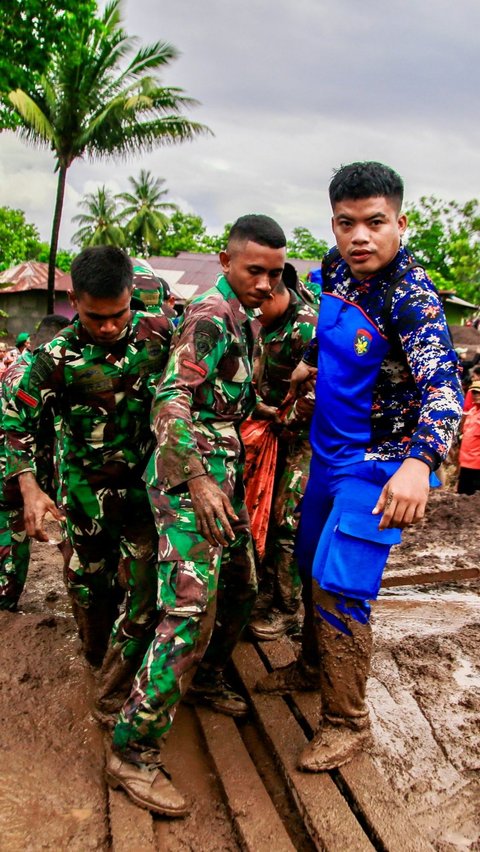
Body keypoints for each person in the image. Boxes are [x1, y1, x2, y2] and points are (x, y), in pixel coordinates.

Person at [257, 162, 463, 772]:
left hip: (378, 464)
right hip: (326, 450)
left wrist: (418, 463)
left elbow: (445, 388)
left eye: (375, 223)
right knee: (305, 561)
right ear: (334, 225)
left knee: (341, 584)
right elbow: (333, 332)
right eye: (348, 223)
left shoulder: (412, 296)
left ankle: (348, 722)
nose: (360, 237)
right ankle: (313, 667)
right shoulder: (336, 267)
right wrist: (306, 364)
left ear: (400, 222)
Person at [105, 214, 287, 817]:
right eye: (253, 269)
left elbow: (222, 392)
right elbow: (171, 397)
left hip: (221, 467)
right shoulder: (211, 315)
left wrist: (270, 403)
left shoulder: (245, 320)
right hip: (190, 475)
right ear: (228, 260)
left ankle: (205, 678)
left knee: (242, 583)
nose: (264, 282)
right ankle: (131, 752)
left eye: (274, 273)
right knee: (188, 609)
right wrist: (200, 478)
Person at [3, 246, 173, 668]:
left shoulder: (161, 333)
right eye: (96, 317)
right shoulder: (54, 359)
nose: (110, 326)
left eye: (119, 313)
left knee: (148, 582)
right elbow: (15, 422)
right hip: (86, 493)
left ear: (132, 293)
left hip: (146, 489)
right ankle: (97, 658)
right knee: (89, 584)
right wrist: (29, 486)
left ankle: (132, 666)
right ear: (74, 301)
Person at [245, 272, 318, 640]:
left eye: (260, 305)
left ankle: (289, 609)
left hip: (303, 439)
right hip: (274, 434)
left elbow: (315, 395)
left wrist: (280, 419)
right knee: (263, 516)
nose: (254, 311)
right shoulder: (265, 325)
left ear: (276, 292)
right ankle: (269, 591)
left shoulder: (306, 328)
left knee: (286, 520)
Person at [0, 315, 70, 610]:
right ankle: (6, 603)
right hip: (14, 475)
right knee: (12, 546)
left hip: (29, 472)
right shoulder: (23, 375)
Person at [457, 380, 480, 494]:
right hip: (465, 462)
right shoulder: (472, 411)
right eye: (474, 393)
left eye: (479, 393)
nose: (476, 395)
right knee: (462, 494)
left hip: (477, 465)